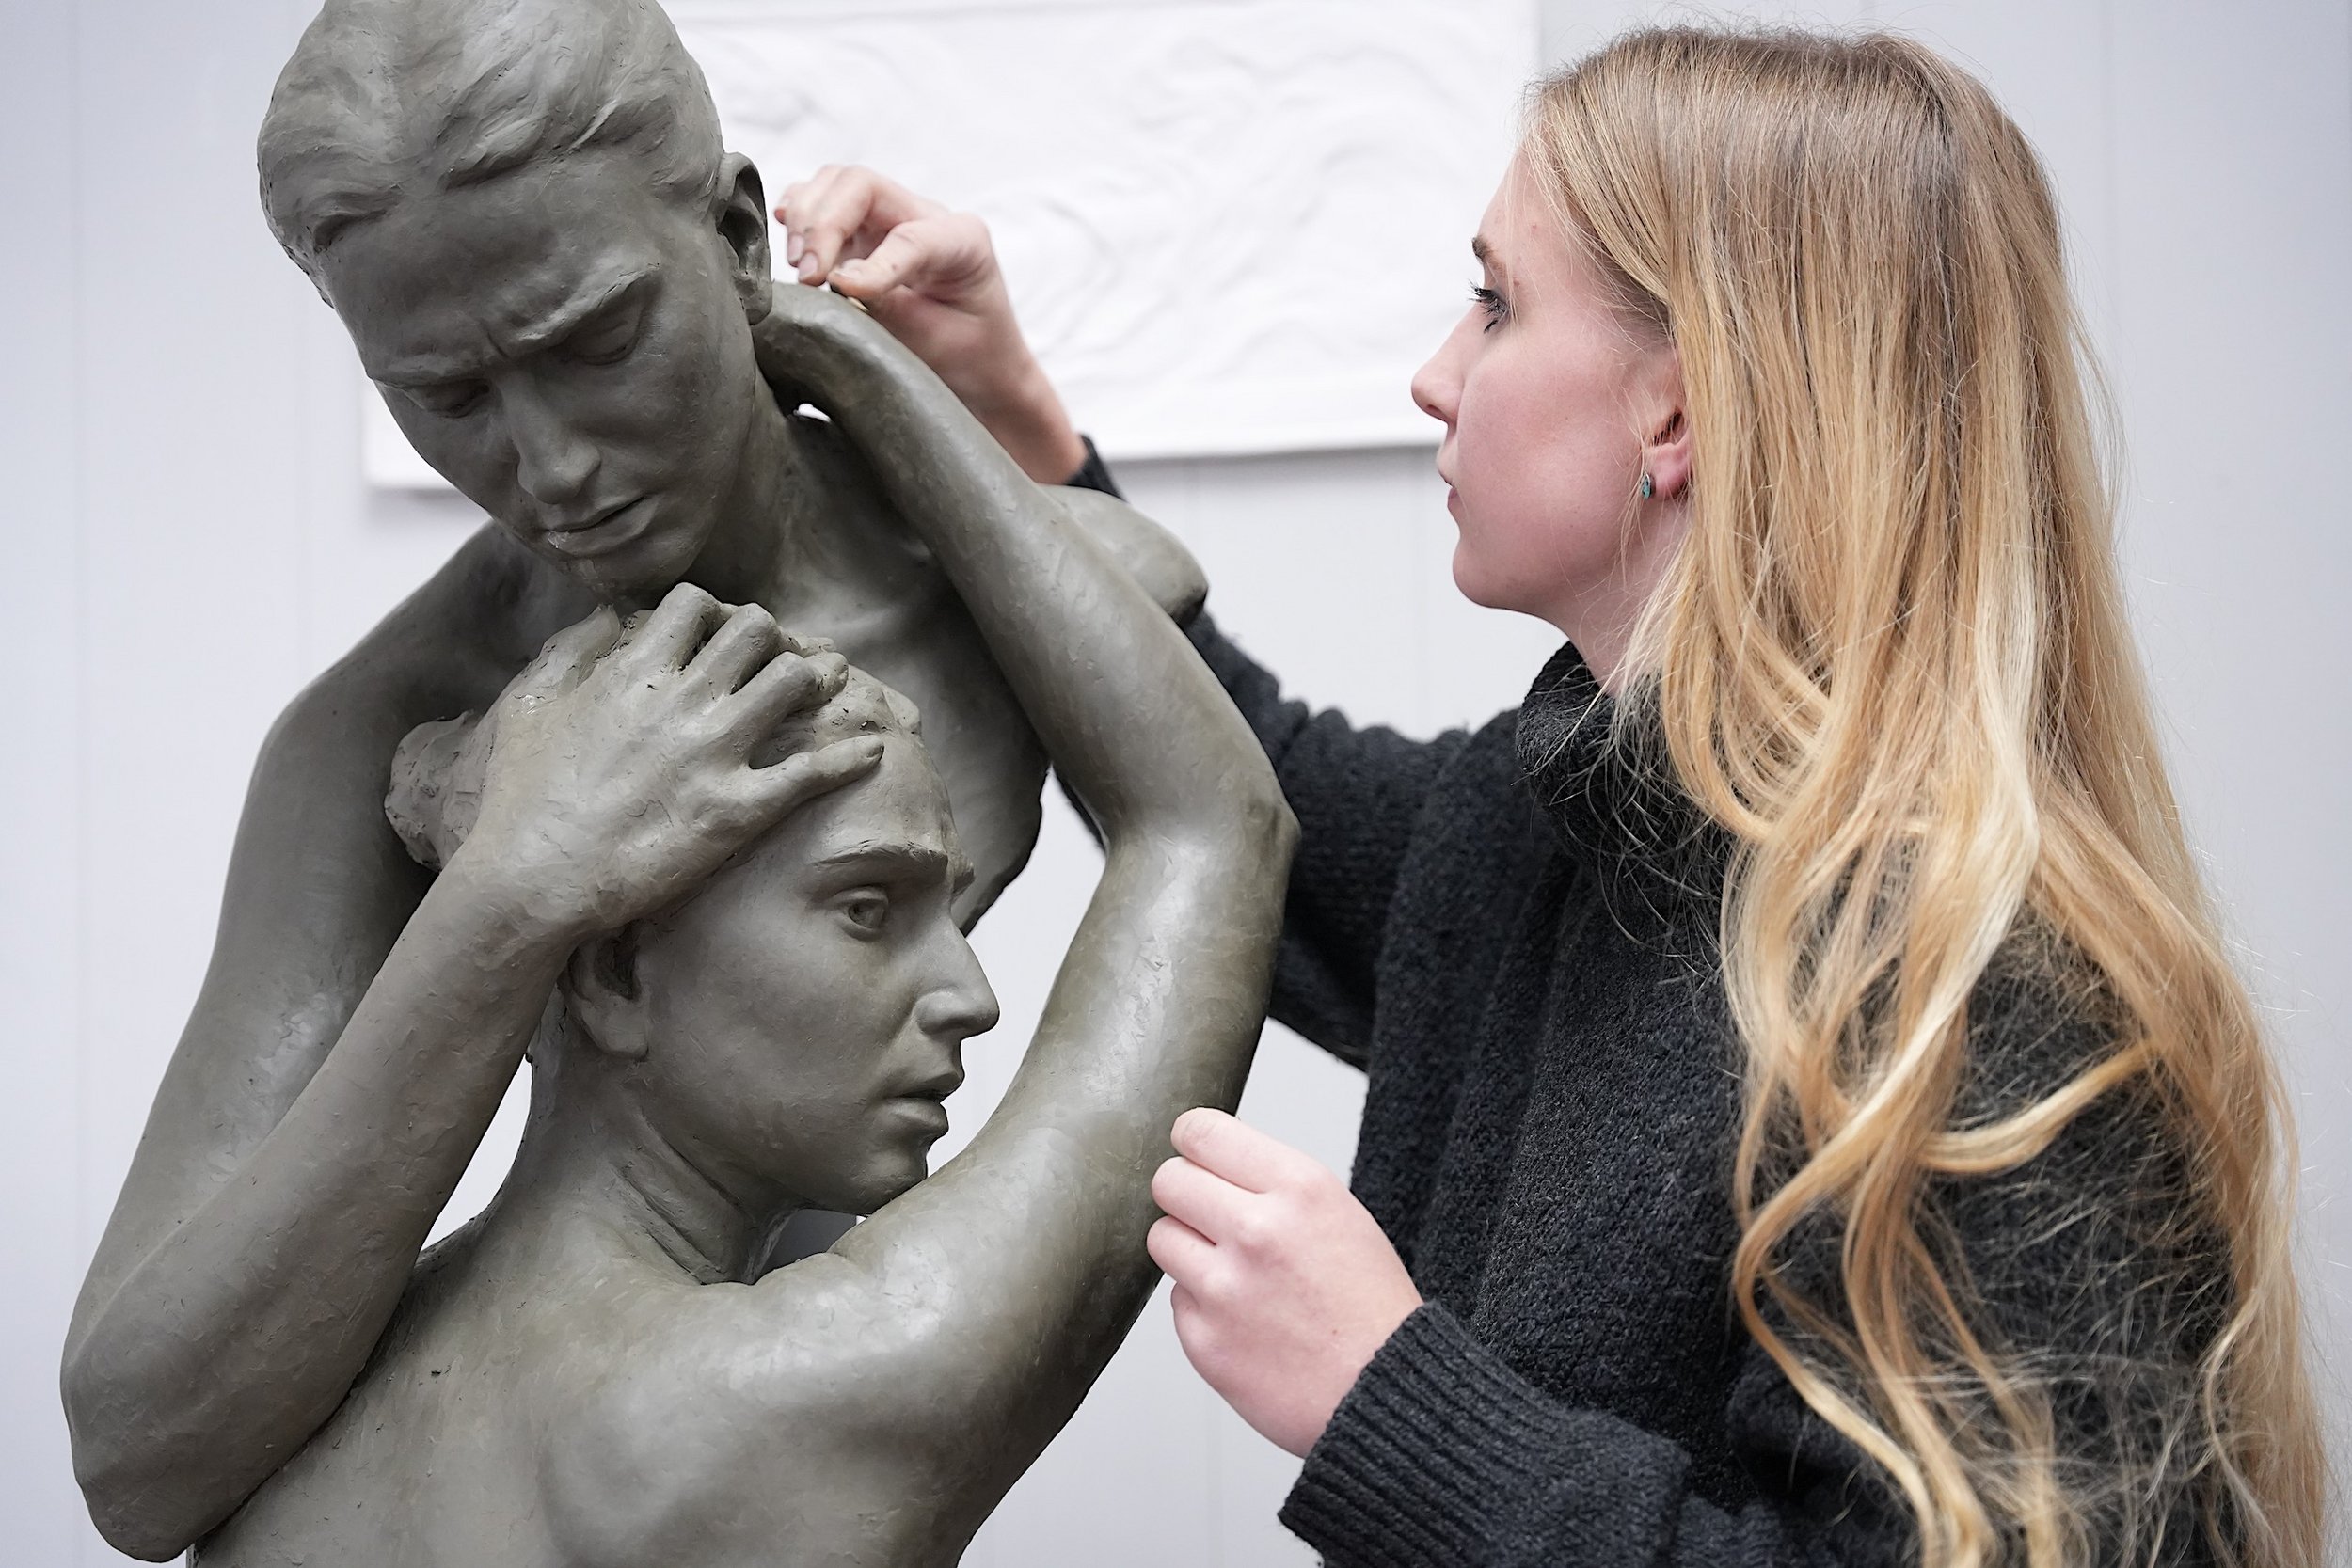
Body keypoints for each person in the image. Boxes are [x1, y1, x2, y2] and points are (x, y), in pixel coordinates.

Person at [778, 26, 2328, 1568]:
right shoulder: (1549, 836)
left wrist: (1394, 1404)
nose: (1435, 377)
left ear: (1678, 415)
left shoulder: (1979, 1015)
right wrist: (1009, 419)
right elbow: (1235, 790)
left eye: (1497, 304)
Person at [60, 0, 1199, 1557]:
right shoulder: (390, 731)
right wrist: (510, 903)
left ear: (734, 237)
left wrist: (855, 356)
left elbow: (1217, 834)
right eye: (448, 396)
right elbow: (141, 1460)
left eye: (595, 343)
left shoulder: (1039, 617)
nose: (555, 467)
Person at [199, 280, 1293, 1567]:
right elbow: (1211, 829)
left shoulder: (290, 1398)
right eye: (867, 909)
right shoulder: (764, 1405)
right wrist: (837, 348)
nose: (973, 995)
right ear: (615, 972)